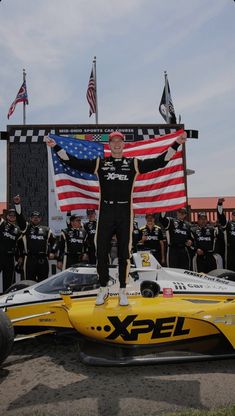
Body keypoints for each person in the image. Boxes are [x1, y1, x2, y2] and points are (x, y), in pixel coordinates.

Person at [46, 130, 187, 306]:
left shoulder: (132, 163)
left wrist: (177, 143)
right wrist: (56, 146)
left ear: (124, 144)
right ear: (109, 144)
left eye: (119, 141)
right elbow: (74, 162)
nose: (117, 144)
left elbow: (159, 161)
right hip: (105, 211)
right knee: (101, 251)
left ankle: (122, 289)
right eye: (113, 141)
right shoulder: (101, 163)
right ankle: (103, 288)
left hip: (124, 212)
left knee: (124, 253)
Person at [14, 196, 56, 282]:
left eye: (37, 217)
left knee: (43, 282)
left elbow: (55, 242)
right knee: (29, 282)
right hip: (29, 259)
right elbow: (20, 218)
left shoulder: (46, 229)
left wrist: (53, 252)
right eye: (33, 217)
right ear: (30, 218)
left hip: (43, 260)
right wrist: (17, 204)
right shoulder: (26, 228)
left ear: (40, 218)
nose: (35, 218)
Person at [0, 208, 21, 293]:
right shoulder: (2, 223)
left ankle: (5, 298)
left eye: (14, 215)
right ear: (7, 216)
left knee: (8, 280)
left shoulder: (18, 229)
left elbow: (20, 245)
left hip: (10, 257)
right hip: (0, 255)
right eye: (10, 215)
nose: (12, 217)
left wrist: (19, 256)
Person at [217, 198, 235, 271]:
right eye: (234, 214)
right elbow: (220, 215)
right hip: (230, 252)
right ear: (232, 215)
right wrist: (220, 204)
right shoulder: (227, 223)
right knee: (229, 271)